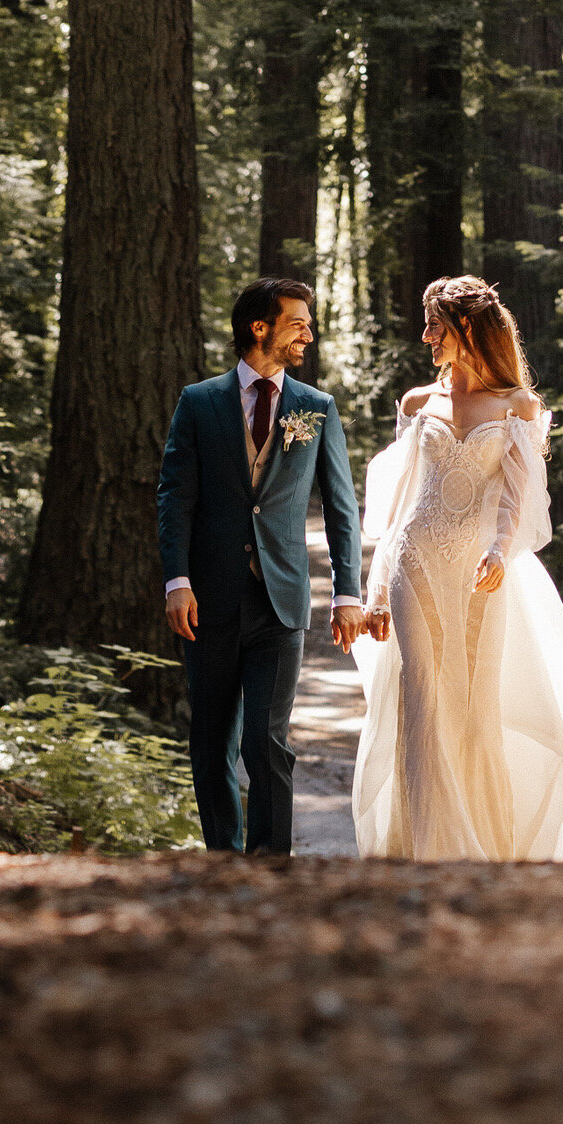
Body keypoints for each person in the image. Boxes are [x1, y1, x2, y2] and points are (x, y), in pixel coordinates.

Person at [352, 275, 563, 863]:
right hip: (414, 560)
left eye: (436, 324)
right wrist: (376, 586)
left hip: (482, 571)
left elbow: (514, 496)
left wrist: (500, 551)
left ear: (467, 329)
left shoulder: (518, 408)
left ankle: (484, 844)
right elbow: (399, 499)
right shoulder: (415, 403)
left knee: (475, 702)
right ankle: (424, 847)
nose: (426, 335)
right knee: (421, 693)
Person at [157, 279, 364, 854]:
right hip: (208, 600)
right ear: (260, 327)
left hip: (281, 598)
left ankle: (273, 867)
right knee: (211, 740)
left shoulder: (315, 408)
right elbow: (176, 496)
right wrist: (178, 580)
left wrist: (348, 593)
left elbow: (342, 507)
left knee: (267, 741)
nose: (308, 333)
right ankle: (224, 861)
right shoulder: (199, 403)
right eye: (298, 322)